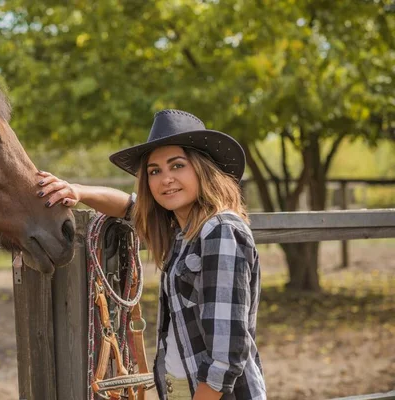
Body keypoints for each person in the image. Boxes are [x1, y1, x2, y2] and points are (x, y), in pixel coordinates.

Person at [37, 109, 266, 400]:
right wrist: (77, 191)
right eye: (154, 171)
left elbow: (226, 356)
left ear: (202, 169)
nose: (165, 179)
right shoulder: (182, 232)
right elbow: (128, 207)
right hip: (182, 388)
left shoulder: (219, 232)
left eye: (177, 165)